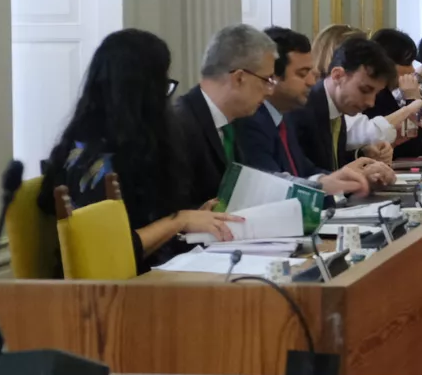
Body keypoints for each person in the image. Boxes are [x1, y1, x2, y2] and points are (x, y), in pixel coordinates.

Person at [40, 30, 248, 268]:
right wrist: (178, 221)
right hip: (107, 294)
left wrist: (194, 217)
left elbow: (144, 220)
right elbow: (110, 251)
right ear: (141, 94)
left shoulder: (129, 145)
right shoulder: (94, 161)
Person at [232, 27, 378, 196]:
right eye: (302, 74)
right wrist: (328, 185)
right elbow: (271, 187)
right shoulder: (253, 120)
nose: (311, 81)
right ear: (273, 76)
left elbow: (306, 170)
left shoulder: (283, 116)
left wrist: (353, 178)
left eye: (310, 72)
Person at [172, 24, 280, 206]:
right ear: (239, 78)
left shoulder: (237, 122)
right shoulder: (180, 126)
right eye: (267, 80)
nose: (270, 91)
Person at [293, 38, 398, 174]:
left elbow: (330, 163)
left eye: (376, 94)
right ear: (338, 76)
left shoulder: (336, 108)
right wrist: (352, 176)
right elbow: (305, 175)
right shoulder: (303, 110)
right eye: (365, 90)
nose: (370, 102)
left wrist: (362, 155)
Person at [366, 28, 422, 120]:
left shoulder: (388, 93)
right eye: (407, 63)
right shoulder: (374, 96)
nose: (412, 70)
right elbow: (409, 133)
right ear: (387, 62)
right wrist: (412, 98)